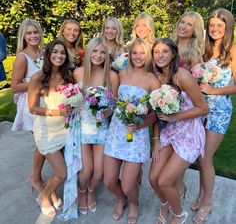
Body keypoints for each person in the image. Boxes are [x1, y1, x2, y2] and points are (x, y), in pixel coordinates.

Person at [149, 38, 208, 224]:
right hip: (169, 132)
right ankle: (166, 203)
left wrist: (174, 117)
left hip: (188, 134)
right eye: (156, 52)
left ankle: (178, 214)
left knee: (164, 181)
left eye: (165, 51)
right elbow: (158, 114)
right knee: (152, 178)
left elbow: (203, 108)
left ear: (173, 54)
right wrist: (156, 139)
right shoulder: (157, 77)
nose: (160, 55)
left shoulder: (182, 75)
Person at [104, 38, 160, 224]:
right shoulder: (121, 74)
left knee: (128, 185)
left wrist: (139, 125)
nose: (138, 56)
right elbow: (114, 101)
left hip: (137, 135)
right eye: (134, 53)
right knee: (109, 181)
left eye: (142, 53)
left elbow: (156, 115)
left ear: (148, 55)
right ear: (129, 54)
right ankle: (121, 199)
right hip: (116, 133)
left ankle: (133, 203)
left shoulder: (153, 80)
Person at [191, 9, 236, 224]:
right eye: (212, 25)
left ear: (227, 28)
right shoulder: (204, 52)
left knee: (205, 157)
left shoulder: (233, 51)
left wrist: (213, 91)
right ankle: (201, 195)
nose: (215, 29)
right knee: (200, 155)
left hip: (219, 111)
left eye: (219, 25)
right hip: (200, 109)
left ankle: (208, 202)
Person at [73, 37, 119, 215]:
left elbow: (114, 103)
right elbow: (69, 96)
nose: (98, 55)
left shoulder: (112, 76)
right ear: (89, 52)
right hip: (82, 127)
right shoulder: (78, 73)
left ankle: (91, 190)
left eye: (102, 52)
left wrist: (106, 110)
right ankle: (82, 190)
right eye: (95, 51)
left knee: (99, 173)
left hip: (101, 127)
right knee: (86, 171)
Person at [28, 39, 73, 217]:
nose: (59, 56)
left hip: (64, 129)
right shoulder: (38, 77)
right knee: (62, 173)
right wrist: (56, 112)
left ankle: (51, 191)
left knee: (60, 169)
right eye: (55, 52)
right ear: (48, 54)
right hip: (46, 130)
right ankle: (44, 195)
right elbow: (32, 108)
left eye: (62, 53)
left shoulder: (68, 75)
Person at [172, 11, 205, 197]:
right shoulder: (170, 44)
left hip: (184, 107)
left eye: (189, 25)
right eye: (182, 22)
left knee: (180, 150)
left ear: (195, 30)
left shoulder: (195, 54)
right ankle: (176, 187)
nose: (183, 27)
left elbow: (196, 86)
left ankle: (178, 188)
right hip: (164, 103)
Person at [11, 19, 45, 193]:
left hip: (45, 102)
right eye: (29, 33)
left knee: (44, 142)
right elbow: (14, 86)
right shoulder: (22, 58)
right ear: (23, 36)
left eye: (35, 32)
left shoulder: (43, 53)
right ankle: (35, 178)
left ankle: (35, 176)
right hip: (31, 105)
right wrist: (35, 82)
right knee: (43, 143)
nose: (33, 36)